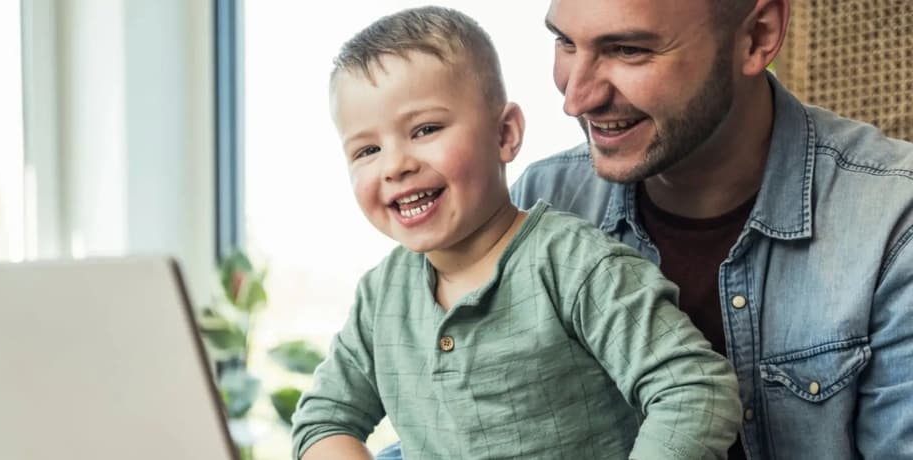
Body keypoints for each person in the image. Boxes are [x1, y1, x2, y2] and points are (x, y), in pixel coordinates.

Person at [377, 0, 913, 458]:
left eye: (628, 50)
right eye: (566, 43)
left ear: (757, 35)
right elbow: (465, 433)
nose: (575, 98)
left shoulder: (893, 225)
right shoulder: (540, 201)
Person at [290, 6, 742, 459]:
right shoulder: (381, 297)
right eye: (367, 150)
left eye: (425, 130)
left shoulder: (577, 266)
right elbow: (324, 420)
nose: (395, 166)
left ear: (505, 134)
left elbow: (694, 392)